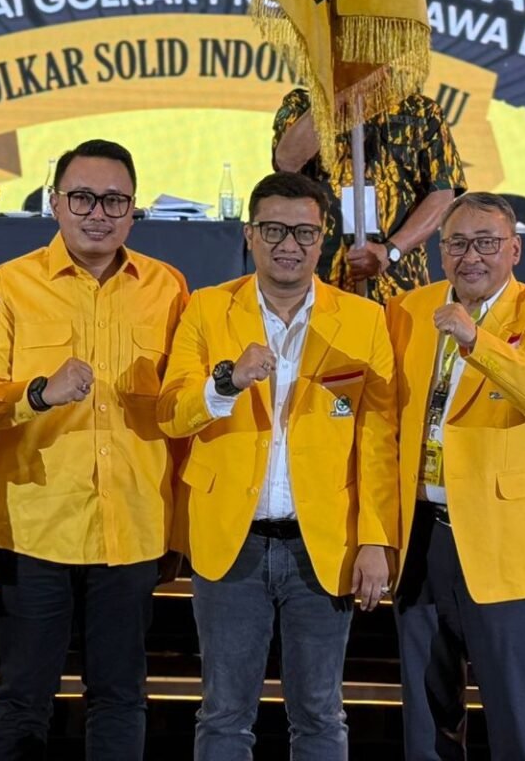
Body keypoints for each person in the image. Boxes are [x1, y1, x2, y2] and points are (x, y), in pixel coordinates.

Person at [0, 138, 188, 760]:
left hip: (133, 524)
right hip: (37, 526)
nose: (98, 214)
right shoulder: (9, 284)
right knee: (23, 698)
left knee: (120, 695)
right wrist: (38, 393)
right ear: (54, 202)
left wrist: (180, 524)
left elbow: (183, 409)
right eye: (82, 197)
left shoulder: (167, 287)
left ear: (133, 209)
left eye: (115, 200)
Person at [157, 171, 399, 759]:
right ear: (250, 234)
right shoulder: (207, 309)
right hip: (230, 538)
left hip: (324, 543)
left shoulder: (363, 319)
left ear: (323, 238)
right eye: (273, 230)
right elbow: (172, 414)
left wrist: (376, 538)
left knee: (320, 715)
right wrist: (227, 382)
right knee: (224, 715)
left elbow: (378, 439)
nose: (288, 244)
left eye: (303, 232)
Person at [386, 192, 525, 761]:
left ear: (514, 249)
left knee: (515, 720)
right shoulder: (406, 310)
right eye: (458, 244)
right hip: (421, 534)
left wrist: (477, 341)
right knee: (427, 723)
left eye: (487, 243)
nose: (471, 257)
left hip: (504, 541)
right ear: (440, 251)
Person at [272, 88, 463, 302]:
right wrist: (339, 96)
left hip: (399, 284)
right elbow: (287, 161)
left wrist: (390, 251)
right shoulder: (302, 103)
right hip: (320, 282)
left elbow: (442, 194)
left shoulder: (421, 111)